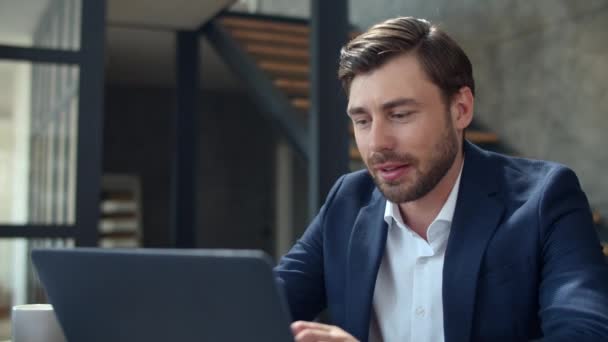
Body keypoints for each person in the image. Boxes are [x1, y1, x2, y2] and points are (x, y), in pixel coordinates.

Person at [274, 16, 608, 342]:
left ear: (460, 109)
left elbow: (585, 334)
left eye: (400, 115)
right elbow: (262, 305)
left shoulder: (545, 200)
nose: (377, 143)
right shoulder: (348, 200)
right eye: (362, 120)